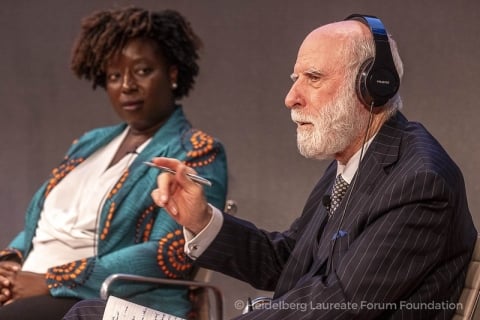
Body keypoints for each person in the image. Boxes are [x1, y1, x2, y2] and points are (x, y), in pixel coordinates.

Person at [63, 13, 476, 320]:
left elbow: (340, 305)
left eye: (312, 78)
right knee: (92, 313)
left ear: (372, 85)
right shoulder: (353, 162)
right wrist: (202, 219)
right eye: (295, 79)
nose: (291, 97)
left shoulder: (420, 180)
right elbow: (288, 261)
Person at [0, 6, 227, 320]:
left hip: (106, 300)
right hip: (31, 288)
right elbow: (45, 223)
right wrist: (9, 265)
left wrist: (54, 282)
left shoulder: (195, 152)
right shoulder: (90, 143)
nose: (127, 85)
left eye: (142, 70)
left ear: (172, 73)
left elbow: (167, 253)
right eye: (114, 76)